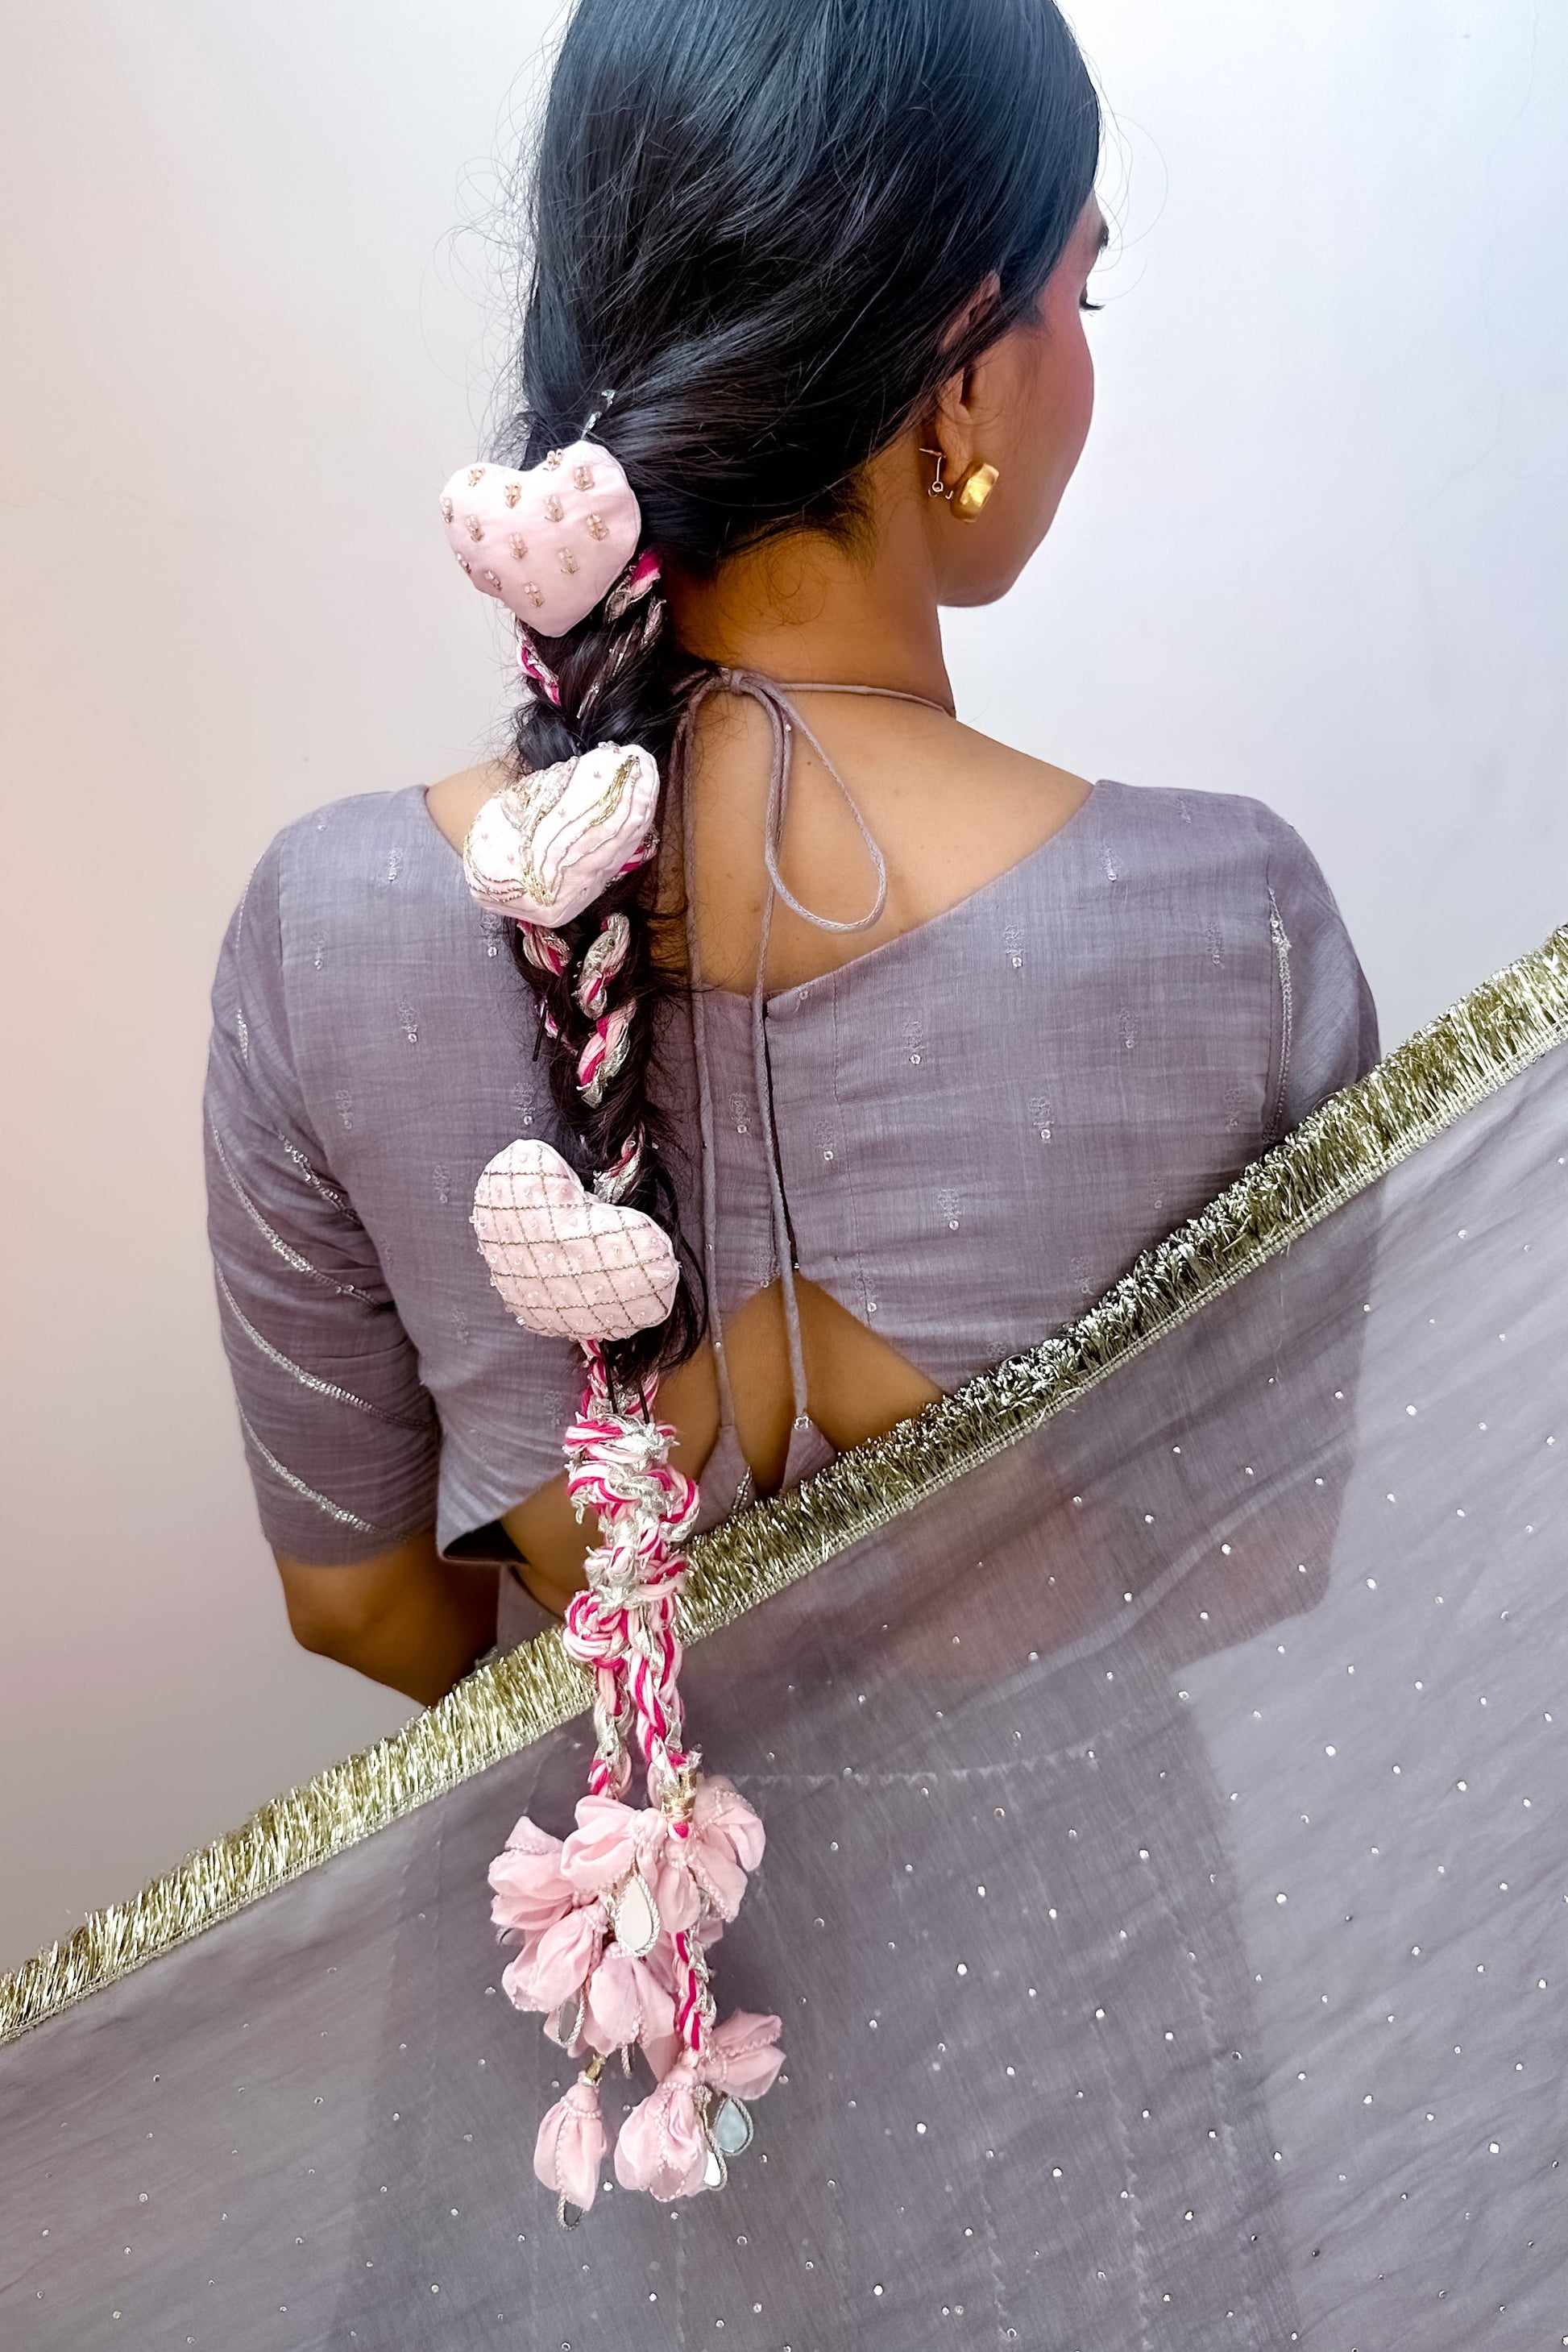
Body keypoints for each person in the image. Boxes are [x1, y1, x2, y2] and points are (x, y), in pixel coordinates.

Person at [205, 0, 1375, 1715]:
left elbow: (358, 1604)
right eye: (1081, 292)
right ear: (965, 369)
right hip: (1094, 1961)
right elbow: (1256, 1559)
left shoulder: (320, 932)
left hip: (585, 1958)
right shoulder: (1234, 928)